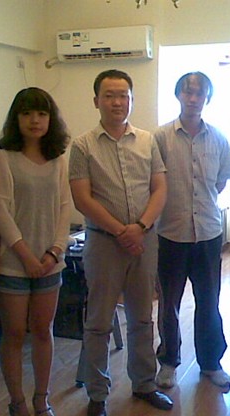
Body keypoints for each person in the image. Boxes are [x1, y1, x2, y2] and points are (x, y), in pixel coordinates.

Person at [69, 69, 172, 416]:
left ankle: (144, 384)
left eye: (123, 95)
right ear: (96, 100)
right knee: (99, 322)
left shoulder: (147, 140)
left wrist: (139, 227)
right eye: (109, 95)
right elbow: (82, 199)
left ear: (131, 99)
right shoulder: (82, 145)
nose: (117, 102)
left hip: (144, 240)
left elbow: (160, 188)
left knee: (142, 317)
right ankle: (98, 394)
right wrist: (120, 231)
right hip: (103, 244)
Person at [154, 71, 230, 392]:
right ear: (178, 95)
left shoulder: (218, 138)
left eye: (199, 93)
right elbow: (153, 182)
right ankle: (168, 361)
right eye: (188, 92)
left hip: (207, 233)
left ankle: (210, 363)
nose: (193, 99)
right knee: (169, 304)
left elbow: (222, 181)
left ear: (208, 98)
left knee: (208, 301)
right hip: (170, 233)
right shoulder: (160, 138)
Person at [0, 87, 71, 416]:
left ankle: (41, 399)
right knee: (13, 334)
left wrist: (53, 253)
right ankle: (17, 402)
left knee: (43, 331)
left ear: (50, 119)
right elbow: (0, 212)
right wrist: (26, 256)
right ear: (16, 118)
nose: (34, 120)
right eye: (26, 113)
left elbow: (64, 209)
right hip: (13, 265)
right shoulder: (4, 159)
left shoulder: (58, 161)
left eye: (41, 114)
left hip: (50, 264)